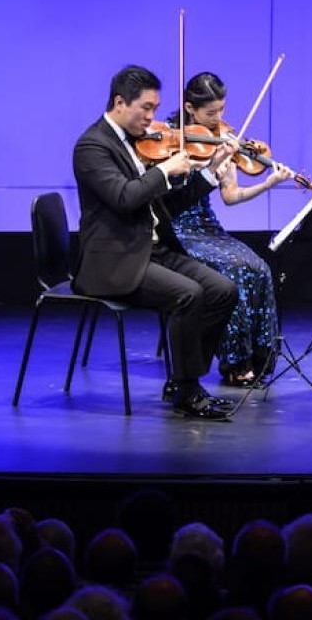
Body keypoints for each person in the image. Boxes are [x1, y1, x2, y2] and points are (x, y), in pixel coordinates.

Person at [72, 65, 238, 420]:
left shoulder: (138, 143)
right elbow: (123, 198)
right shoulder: (92, 146)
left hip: (152, 250)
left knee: (223, 290)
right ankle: (188, 391)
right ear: (120, 102)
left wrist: (211, 171)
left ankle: (184, 380)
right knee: (188, 295)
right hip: (114, 260)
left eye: (155, 108)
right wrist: (164, 171)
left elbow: (166, 206)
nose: (152, 118)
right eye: (145, 108)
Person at [166, 72, 293, 385]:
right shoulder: (168, 138)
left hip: (207, 226)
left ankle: (259, 359)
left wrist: (268, 183)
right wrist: (201, 166)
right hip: (176, 228)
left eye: (221, 110)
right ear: (189, 108)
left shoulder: (223, 138)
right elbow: (166, 194)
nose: (218, 119)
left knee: (259, 267)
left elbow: (231, 196)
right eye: (211, 113)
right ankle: (235, 363)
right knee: (233, 269)